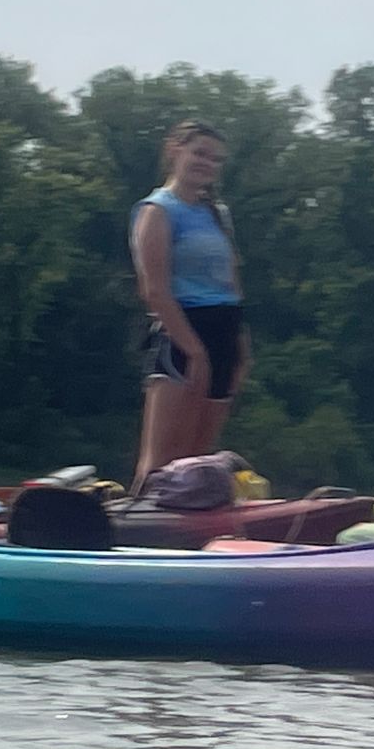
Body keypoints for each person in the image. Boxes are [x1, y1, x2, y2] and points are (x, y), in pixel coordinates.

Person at [129, 120, 251, 490]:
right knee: (161, 461)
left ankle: (190, 528)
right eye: (199, 153)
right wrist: (193, 350)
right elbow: (154, 290)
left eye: (215, 159)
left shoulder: (218, 213)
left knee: (197, 458)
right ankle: (136, 523)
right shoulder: (158, 210)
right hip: (182, 331)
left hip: (223, 328)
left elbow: (230, 279)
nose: (206, 164)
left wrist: (240, 343)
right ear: (175, 151)